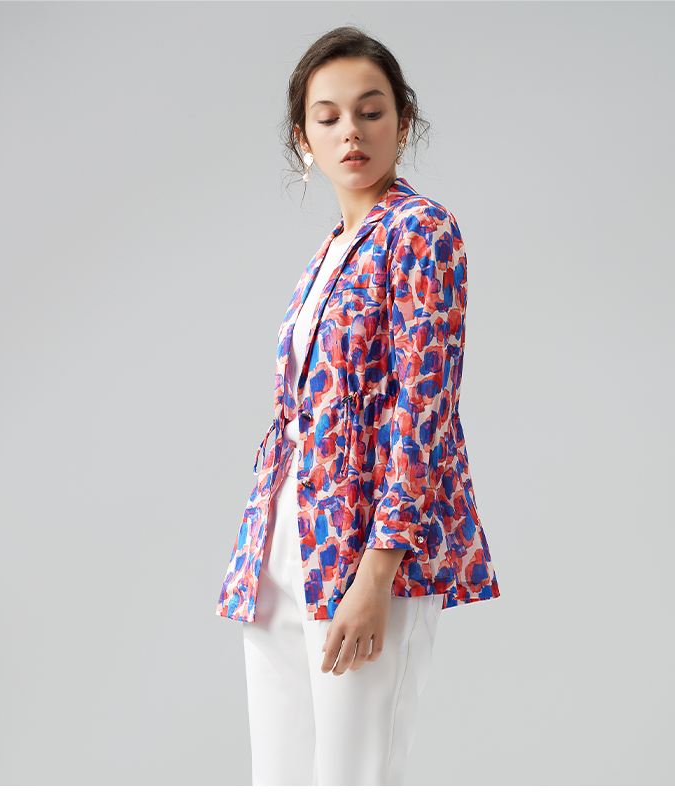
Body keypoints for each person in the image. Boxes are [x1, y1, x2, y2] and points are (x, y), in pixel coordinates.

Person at [216, 26, 500, 786]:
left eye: (371, 112)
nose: (351, 132)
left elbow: (422, 408)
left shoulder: (422, 231)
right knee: (278, 780)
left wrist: (377, 573)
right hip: (282, 545)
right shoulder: (329, 251)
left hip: (364, 550)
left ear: (403, 124)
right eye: (329, 116)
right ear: (302, 138)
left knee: (354, 779)